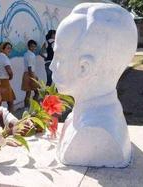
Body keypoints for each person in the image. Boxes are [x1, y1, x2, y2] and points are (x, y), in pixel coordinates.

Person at [50, 3, 136, 167]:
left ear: (84, 68)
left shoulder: (96, 132)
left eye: (58, 57)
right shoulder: (80, 115)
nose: (51, 65)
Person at [0, 42, 15, 112]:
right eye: (8, 48)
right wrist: (11, 76)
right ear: (2, 49)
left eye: (10, 48)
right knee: (10, 102)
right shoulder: (5, 58)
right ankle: (10, 118)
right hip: (4, 81)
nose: (9, 50)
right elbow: (9, 70)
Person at [21, 39, 39, 108]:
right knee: (36, 92)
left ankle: (27, 108)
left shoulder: (26, 54)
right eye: (32, 46)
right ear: (28, 46)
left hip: (27, 74)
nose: (33, 48)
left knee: (28, 93)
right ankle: (33, 107)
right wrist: (33, 78)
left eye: (34, 46)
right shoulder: (31, 55)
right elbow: (29, 67)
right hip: (30, 74)